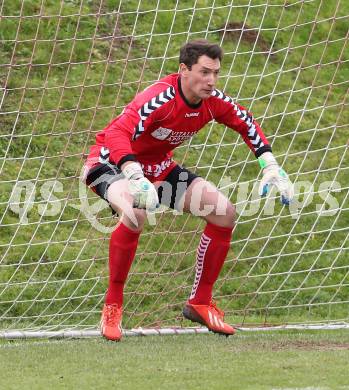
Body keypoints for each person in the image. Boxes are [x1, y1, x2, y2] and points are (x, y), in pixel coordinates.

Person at [83, 39, 293, 341]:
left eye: (216, 73)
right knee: (135, 213)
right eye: (204, 72)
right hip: (110, 163)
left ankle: (200, 303)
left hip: (158, 168)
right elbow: (117, 132)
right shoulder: (159, 98)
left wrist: (270, 164)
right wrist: (133, 173)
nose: (211, 80)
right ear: (183, 70)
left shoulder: (213, 101)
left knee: (224, 213)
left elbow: (245, 121)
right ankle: (113, 306)